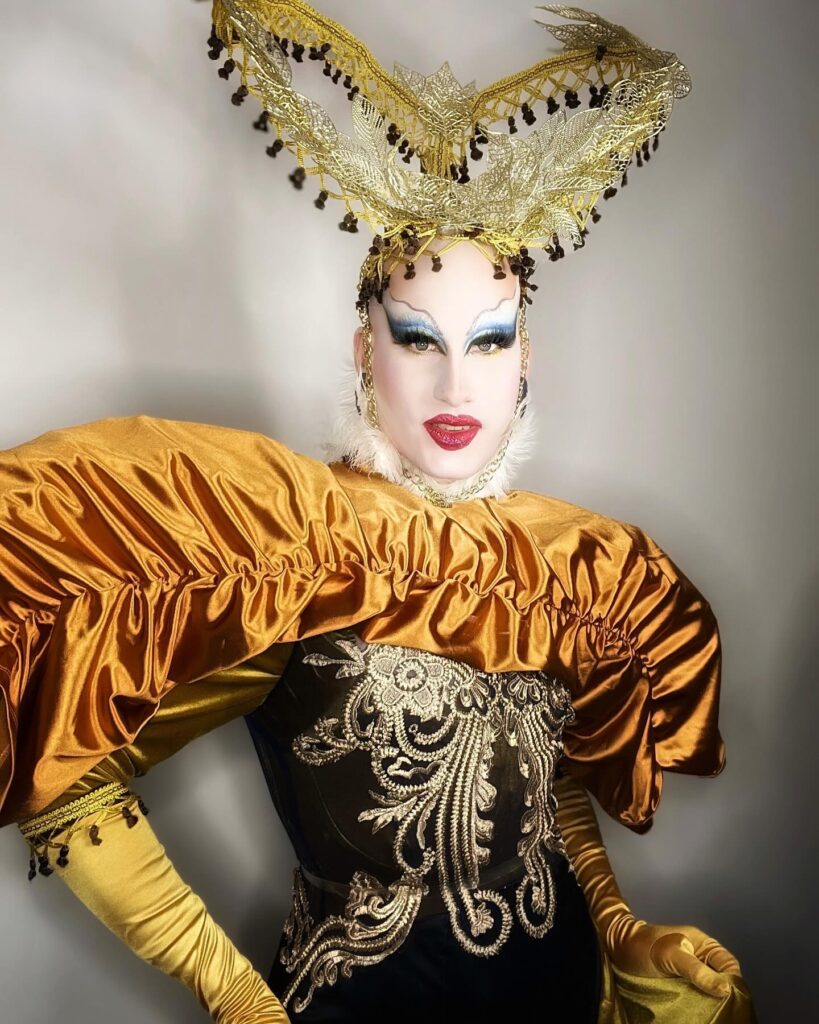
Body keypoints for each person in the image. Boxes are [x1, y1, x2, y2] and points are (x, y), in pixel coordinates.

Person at [0, 2, 757, 1021]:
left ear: (525, 362)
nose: (455, 386)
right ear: (366, 351)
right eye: (416, 339)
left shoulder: (560, 560)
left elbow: (543, 790)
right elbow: (67, 765)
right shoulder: (296, 551)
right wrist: (233, 995)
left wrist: (621, 924)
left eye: (488, 342)